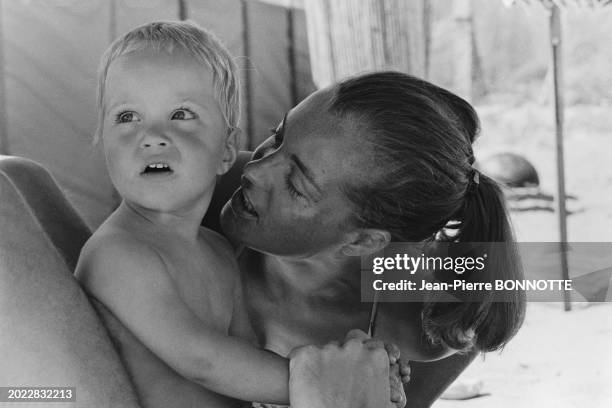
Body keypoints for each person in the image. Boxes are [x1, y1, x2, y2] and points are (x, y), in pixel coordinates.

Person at [0, 70, 524, 408]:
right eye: (277, 135)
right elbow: (106, 285)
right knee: (17, 174)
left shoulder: (438, 321)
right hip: (53, 386)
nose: (259, 169)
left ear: (365, 241)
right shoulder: (217, 184)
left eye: (295, 183)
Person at [72, 20, 405, 408]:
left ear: (226, 150)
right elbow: (202, 361)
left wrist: (364, 373)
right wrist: (326, 381)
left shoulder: (215, 250)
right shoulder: (119, 254)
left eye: (181, 114)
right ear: (102, 141)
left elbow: (246, 357)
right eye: (127, 116)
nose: (152, 135)